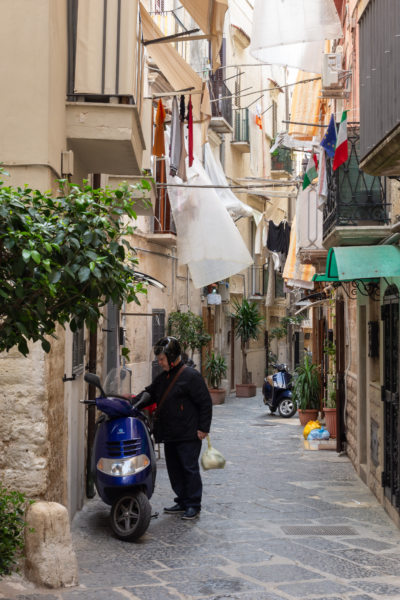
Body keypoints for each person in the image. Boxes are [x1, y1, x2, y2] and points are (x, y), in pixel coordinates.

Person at [138, 336, 212, 520]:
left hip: (188, 434)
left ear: (171, 357)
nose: (159, 362)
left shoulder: (191, 376)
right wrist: (131, 402)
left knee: (189, 469)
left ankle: (193, 504)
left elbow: (205, 403)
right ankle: (182, 500)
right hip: (170, 434)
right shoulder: (163, 378)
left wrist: (203, 428)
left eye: (162, 359)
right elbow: (150, 392)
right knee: (174, 470)